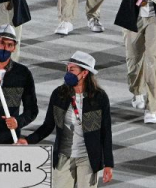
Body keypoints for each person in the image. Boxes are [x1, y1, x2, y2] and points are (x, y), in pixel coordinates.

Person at [18, 51, 113, 188]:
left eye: (72, 70)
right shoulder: (58, 94)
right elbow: (48, 125)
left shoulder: (99, 98)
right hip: (63, 156)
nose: (68, 73)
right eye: (67, 69)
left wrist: (108, 164)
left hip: (88, 158)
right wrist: (28, 140)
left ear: (84, 73)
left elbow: (106, 131)